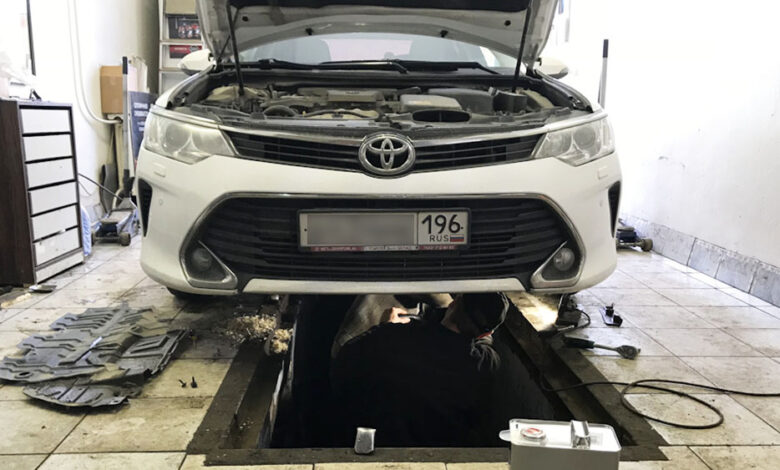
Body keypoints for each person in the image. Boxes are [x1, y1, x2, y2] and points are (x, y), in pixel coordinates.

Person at [330, 292, 510, 447]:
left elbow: (343, 358)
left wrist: (387, 326)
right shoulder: (487, 364)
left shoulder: (392, 338)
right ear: (487, 333)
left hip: (384, 444)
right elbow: (479, 341)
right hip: (441, 449)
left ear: (454, 303)